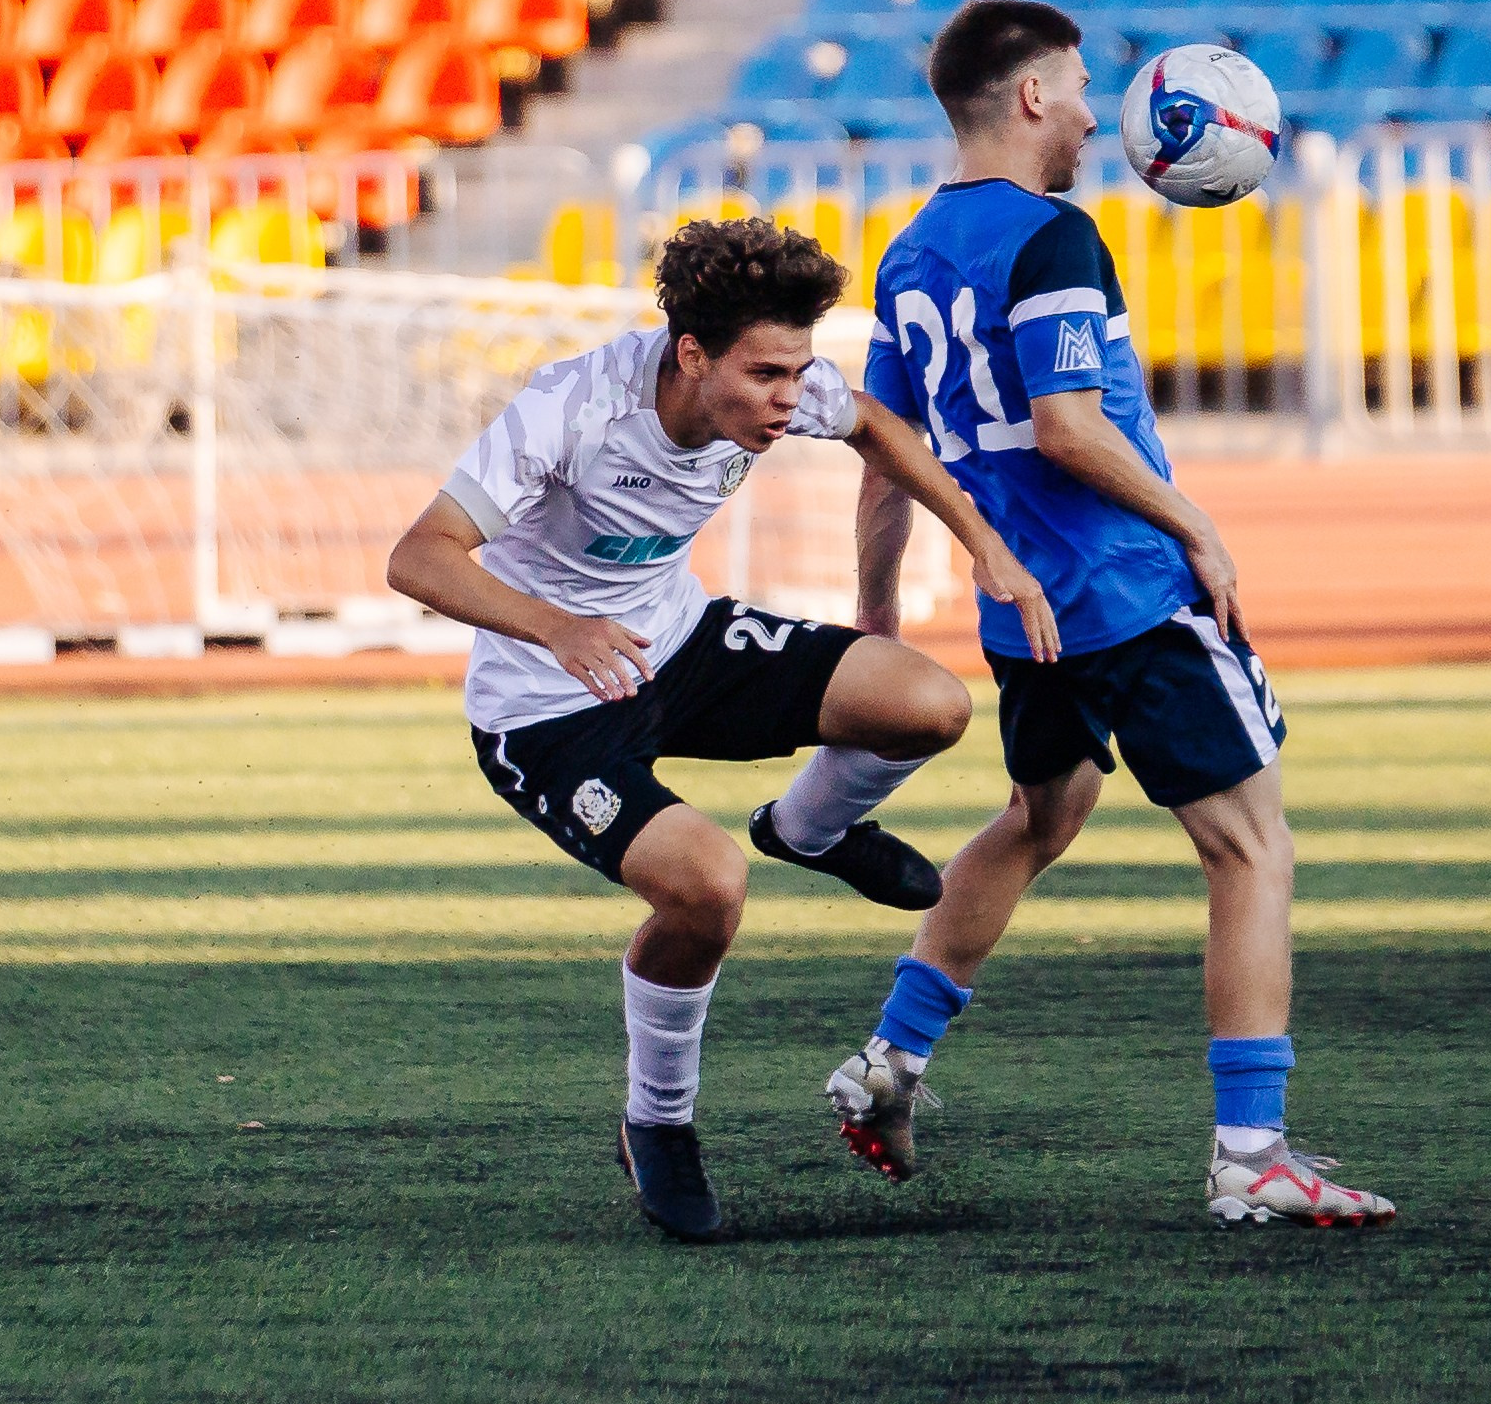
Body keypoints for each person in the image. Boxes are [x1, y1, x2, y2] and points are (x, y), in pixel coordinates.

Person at [823, 0, 1395, 1229]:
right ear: (1028, 97)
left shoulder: (909, 248)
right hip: (1123, 593)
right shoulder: (1052, 237)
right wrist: (1193, 525)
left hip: (1020, 606)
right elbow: (1067, 424)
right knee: (1250, 848)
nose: (1094, 111)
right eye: (1078, 86)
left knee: (1041, 814)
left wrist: (877, 614)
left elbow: (882, 452)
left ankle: (889, 1058)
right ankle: (1250, 1152)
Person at [386, 217, 1057, 1243]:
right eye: (765, 375)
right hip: (547, 705)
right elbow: (419, 555)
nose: (790, 398)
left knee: (929, 705)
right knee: (705, 884)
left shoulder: (787, 388)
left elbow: (876, 425)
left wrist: (982, 547)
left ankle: (810, 828)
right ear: (690, 355)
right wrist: (557, 627)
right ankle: (657, 1121)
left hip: (678, 641)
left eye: (799, 370)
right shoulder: (570, 408)